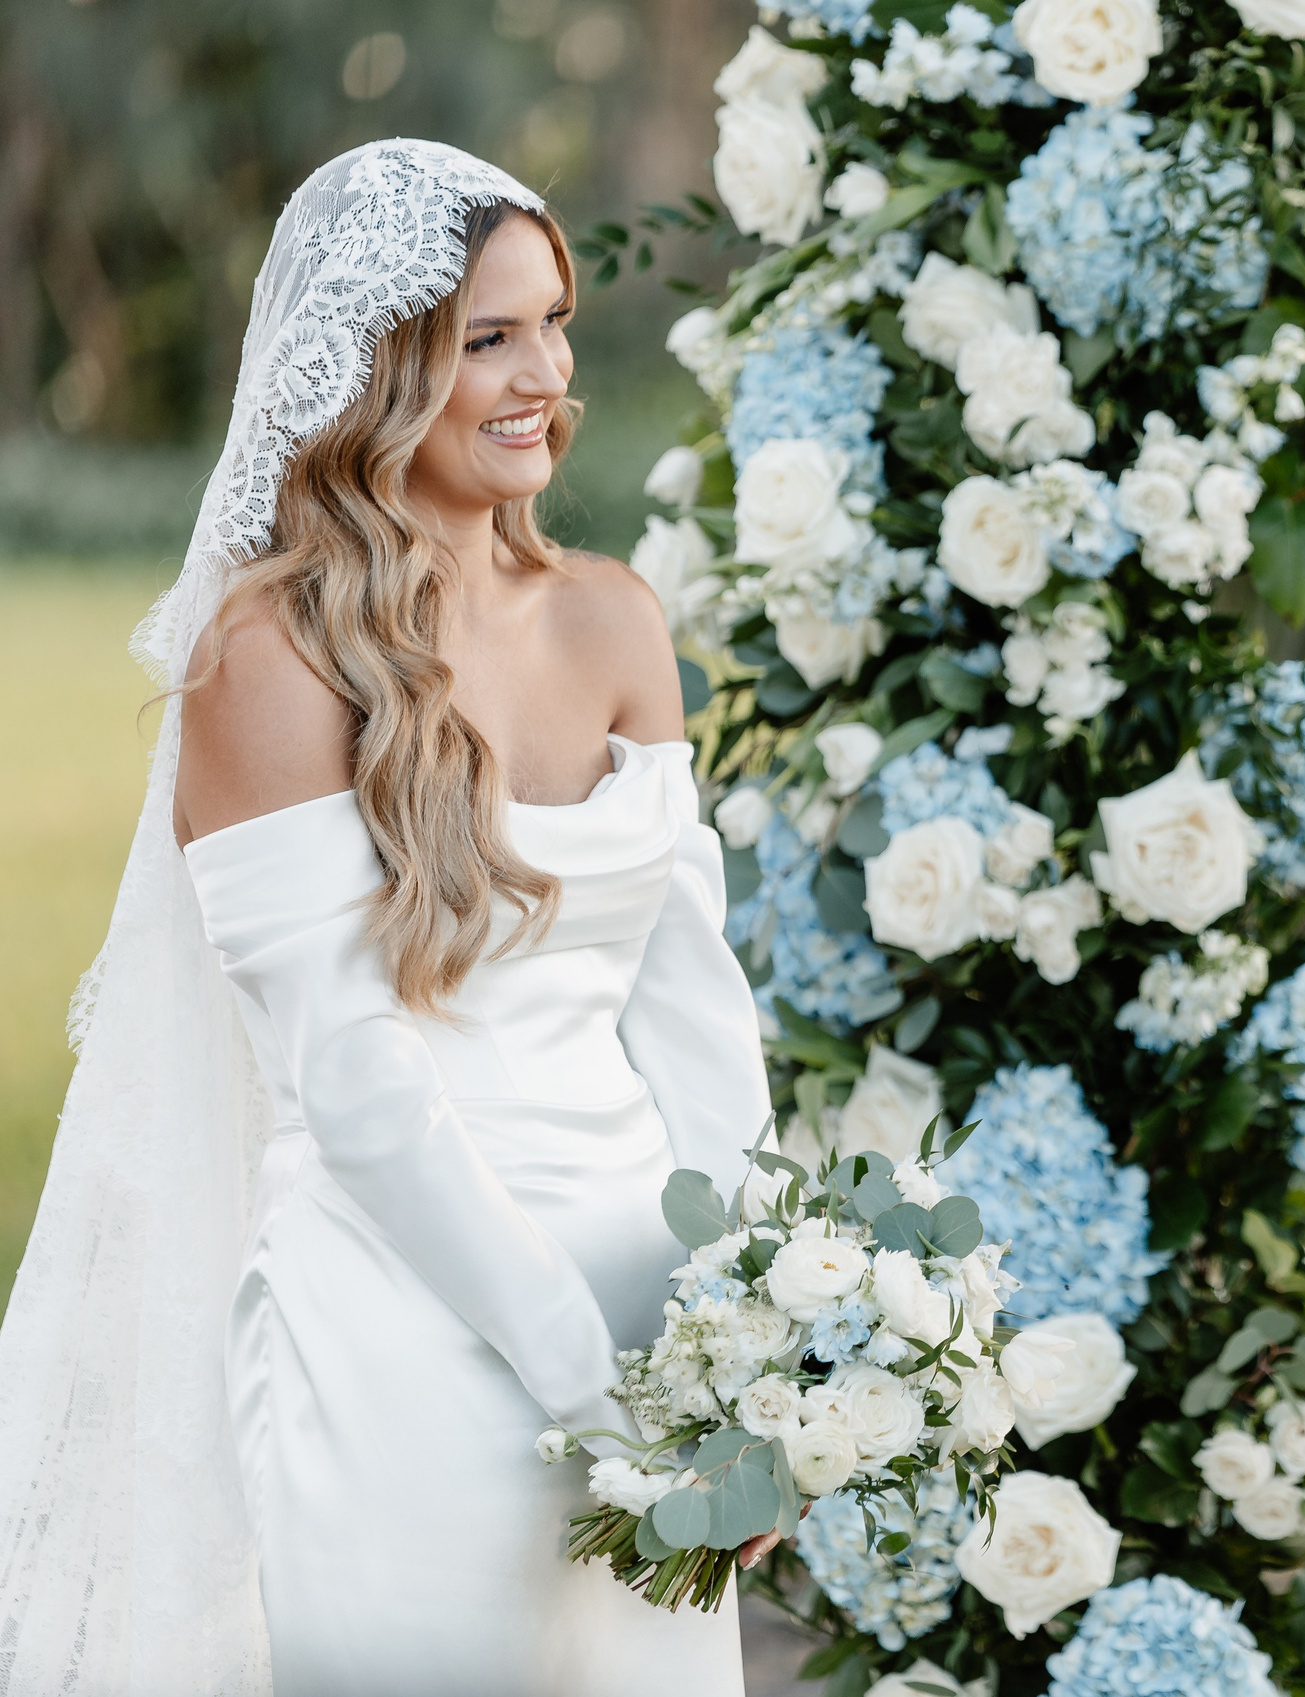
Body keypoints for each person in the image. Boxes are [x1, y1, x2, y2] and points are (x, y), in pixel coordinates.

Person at [0, 140, 770, 1695]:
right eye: (487, 338)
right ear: (374, 371)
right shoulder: (267, 660)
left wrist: (751, 1333)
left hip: (654, 1303)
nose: (544, 373)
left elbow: (697, 1012)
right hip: (405, 1332)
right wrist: (591, 1376)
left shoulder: (615, 616)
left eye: (553, 324)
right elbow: (354, 1082)